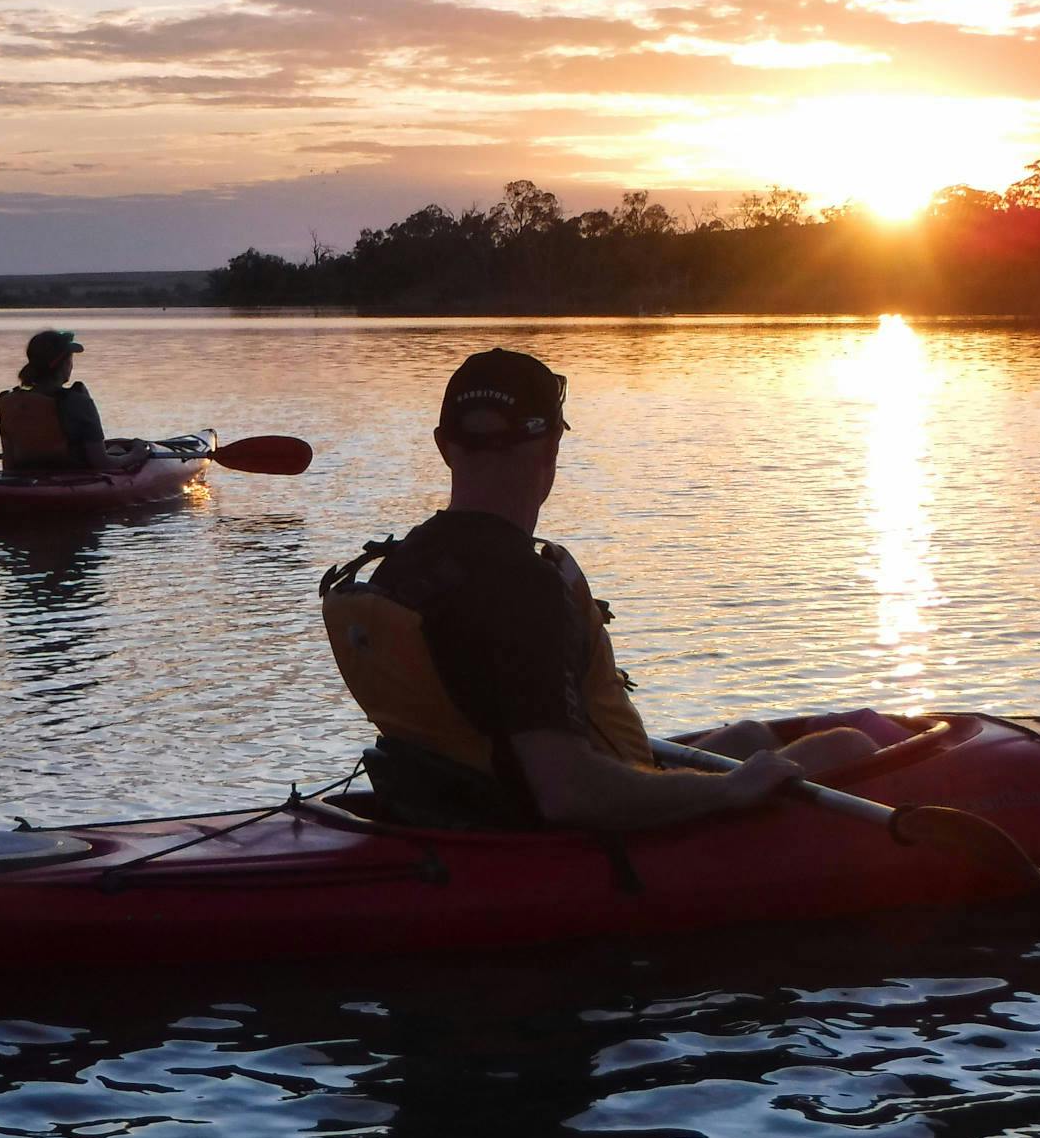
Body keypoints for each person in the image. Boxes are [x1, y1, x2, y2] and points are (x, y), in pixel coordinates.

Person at [320, 347, 880, 831]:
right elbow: (569, 794)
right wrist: (729, 792)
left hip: (455, 810)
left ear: (445, 446)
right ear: (549, 452)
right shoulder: (519, 590)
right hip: (549, 836)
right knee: (850, 748)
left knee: (751, 733)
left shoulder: (400, 565)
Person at [0, 328, 152, 474]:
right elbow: (102, 463)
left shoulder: (9, 402)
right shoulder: (79, 402)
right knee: (118, 451)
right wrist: (135, 455)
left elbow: (8, 465)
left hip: (23, 478)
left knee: (116, 448)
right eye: (70, 359)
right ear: (63, 365)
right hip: (70, 475)